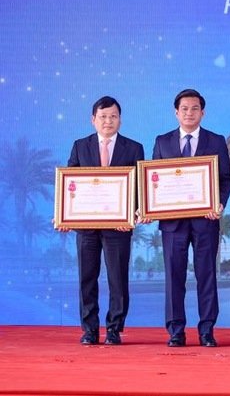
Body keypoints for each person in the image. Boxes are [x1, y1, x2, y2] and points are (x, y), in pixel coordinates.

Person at [151, 89, 230, 347]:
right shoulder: (162, 142)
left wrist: (219, 204)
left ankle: (207, 330)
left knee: (206, 275)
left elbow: (225, 179)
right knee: (174, 277)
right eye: (184, 108)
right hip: (172, 223)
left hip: (205, 221)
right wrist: (152, 206)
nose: (189, 113)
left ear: (202, 113)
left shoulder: (216, 141)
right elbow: (154, 180)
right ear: (176, 112)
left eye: (195, 108)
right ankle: (176, 331)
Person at [63, 96, 144, 345]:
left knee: (118, 279)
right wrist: (65, 213)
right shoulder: (80, 146)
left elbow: (140, 188)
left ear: (120, 119)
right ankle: (89, 330)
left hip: (118, 227)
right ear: (93, 119)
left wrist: (131, 214)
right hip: (86, 228)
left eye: (113, 116)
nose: (108, 121)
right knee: (86, 278)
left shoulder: (134, 148)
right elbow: (70, 185)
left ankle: (114, 329)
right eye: (103, 116)